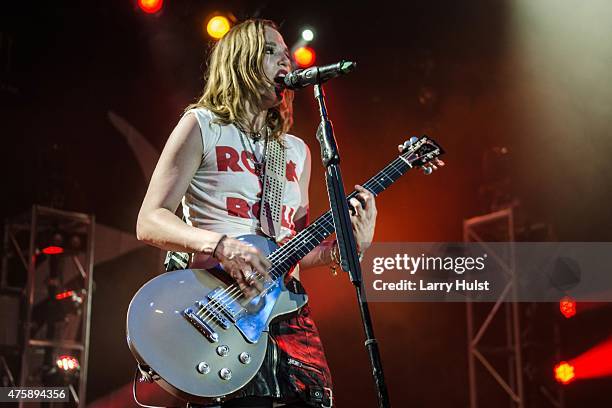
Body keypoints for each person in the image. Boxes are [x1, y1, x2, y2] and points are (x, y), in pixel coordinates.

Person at [136, 19, 377, 408]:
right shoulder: (202, 125)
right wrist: (222, 245)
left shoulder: (297, 150)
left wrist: (347, 247)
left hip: (286, 316)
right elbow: (149, 220)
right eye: (270, 50)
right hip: (216, 307)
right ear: (239, 62)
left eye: (287, 53)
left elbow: (292, 252)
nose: (286, 59)